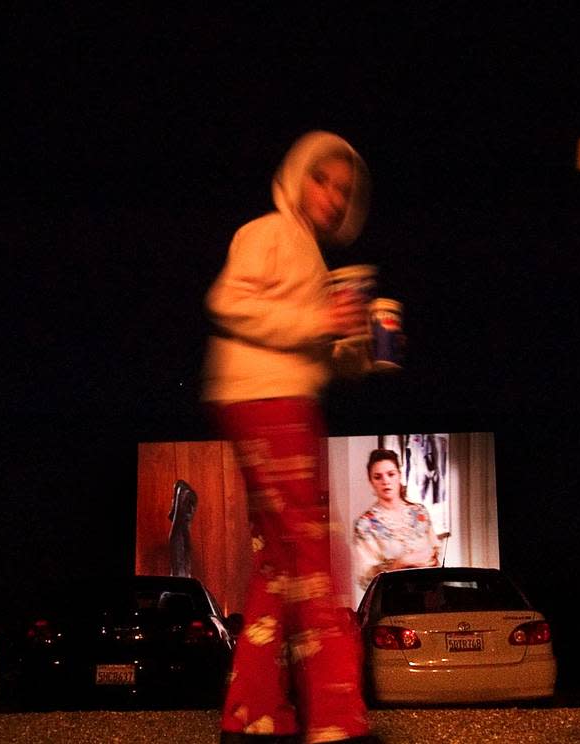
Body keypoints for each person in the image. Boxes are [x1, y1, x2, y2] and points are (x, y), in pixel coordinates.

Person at [202, 131, 378, 744]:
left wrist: (358, 348)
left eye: (343, 190)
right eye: (321, 179)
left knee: (279, 565)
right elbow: (226, 301)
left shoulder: (313, 258)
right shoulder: (268, 233)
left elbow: (319, 351)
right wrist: (317, 320)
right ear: (296, 174)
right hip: (265, 399)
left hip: (280, 397)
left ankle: (252, 715)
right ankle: (336, 718)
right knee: (313, 556)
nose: (331, 196)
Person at [353, 449, 441, 592]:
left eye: (391, 474)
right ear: (371, 482)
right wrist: (402, 562)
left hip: (430, 596)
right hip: (392, 600)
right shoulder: (365, 524)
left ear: (399, 476)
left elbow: (435, 555)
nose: (385, 481)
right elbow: (365, 579)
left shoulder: (420, 513)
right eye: (377, 477)